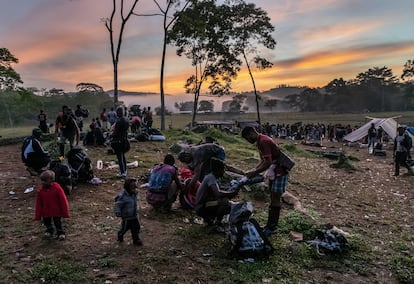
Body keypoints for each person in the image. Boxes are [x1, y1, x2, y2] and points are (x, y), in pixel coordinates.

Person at [241, 126, 289, 237]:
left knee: (275, 198)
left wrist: (254, 172)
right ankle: (269, 225)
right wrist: (254, 170)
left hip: (279, 171)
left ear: (251, 133)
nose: (248, 141)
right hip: (275, 171)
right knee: (273, 197)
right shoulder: (260, 140)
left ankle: (271, 227)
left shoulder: (263, 142)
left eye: (247, 138)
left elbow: (268, 162)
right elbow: (263, 160)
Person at [194, 157, 238, 229]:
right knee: (225, 202)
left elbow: (218, 189)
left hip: (204, 204)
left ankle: (211, 220)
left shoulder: (212, 177)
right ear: (218, 170)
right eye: (223, 169)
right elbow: (218, 193)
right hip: (201, 207)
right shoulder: (211, 178)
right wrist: (231, 193)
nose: (224, 172)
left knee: (227, 203)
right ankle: (216, 222)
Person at [34, 170, 70, 240]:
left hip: (56, 211)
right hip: (46, 212)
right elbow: (39, 204)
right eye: (42, 180)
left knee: (57, 222)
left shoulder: (57, 189)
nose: (42, 182)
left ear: (51, 180)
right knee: (46, 221)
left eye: (44, 180)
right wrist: (38, 215)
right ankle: (49, 230)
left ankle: (60, 232)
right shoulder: (41, 191)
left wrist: (65, 212)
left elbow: (63, 200)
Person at [114, 178, 142, 246]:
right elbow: (118, 204)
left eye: (135, 188)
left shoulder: (134, 194)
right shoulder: (122, 196)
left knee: (136, 227)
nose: (134, 189)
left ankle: (136, 240)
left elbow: (136, 201)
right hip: (127, 217)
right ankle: (120, 234)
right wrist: (118, 212)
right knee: (124, 228)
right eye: (132, 188)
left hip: (134, 215)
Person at [110, 107, 130, 178]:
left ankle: (122, 172)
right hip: (125, 140)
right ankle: (124, 170)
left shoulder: (119, 121)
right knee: (123, 156)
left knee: (120, 157)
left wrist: (110, 135)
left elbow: (115, 132)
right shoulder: (126, 120)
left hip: (118, 141)